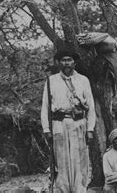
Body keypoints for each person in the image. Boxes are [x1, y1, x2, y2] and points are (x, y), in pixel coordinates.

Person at [41, 49, 96, 193]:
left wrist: (90, 129)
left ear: (74, 62)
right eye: (63, 60)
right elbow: (45, 108)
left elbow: (90, 106)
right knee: (61, 159)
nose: (66, 63)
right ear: (59, 63)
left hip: (79, 124)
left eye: (69, 60)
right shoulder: (51, 81)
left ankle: (80, 188)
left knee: (80, 158)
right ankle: (62, 189)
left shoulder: (83, 80)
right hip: (59, 124)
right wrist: (46, 129)